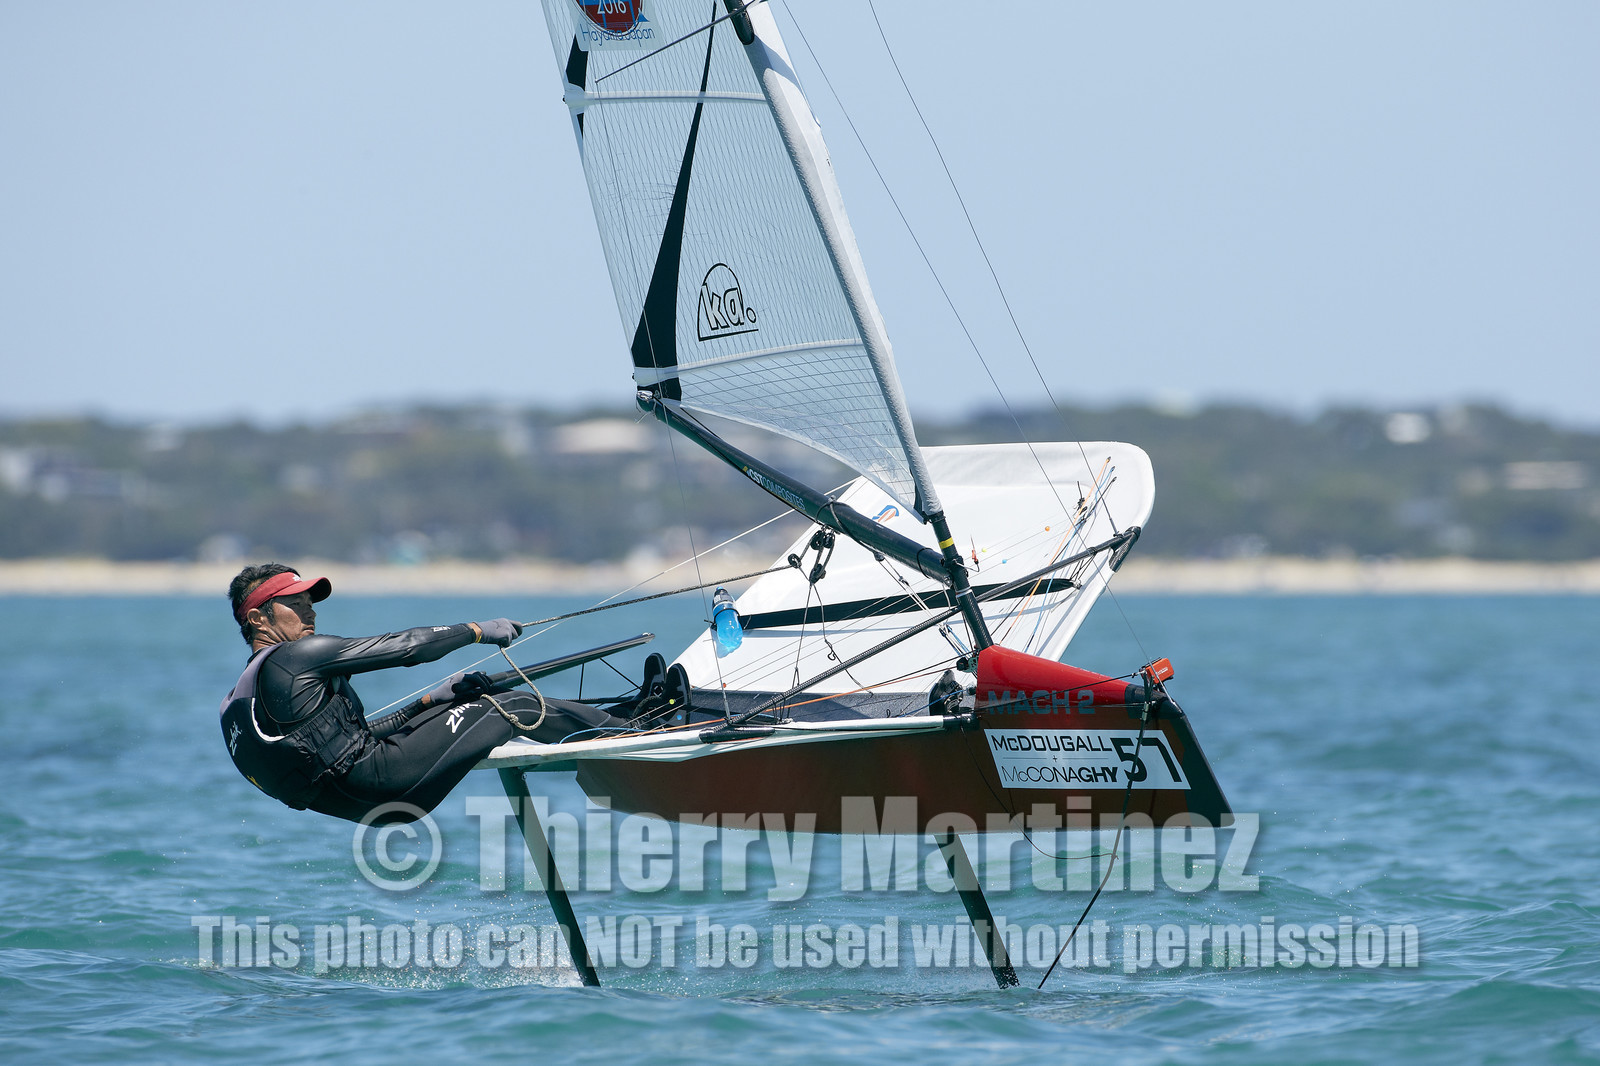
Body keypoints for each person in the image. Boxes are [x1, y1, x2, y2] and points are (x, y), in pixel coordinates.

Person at [220, 563, 631, 824]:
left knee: (472, 704)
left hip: (365, 805)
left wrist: (427, 703)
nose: (310, 610)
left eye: (309, 601)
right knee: (510, 706)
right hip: (379, 781)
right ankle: (634, 731)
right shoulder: (293, 658)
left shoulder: (239, 701)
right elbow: (408, 647)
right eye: (295, 603)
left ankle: (614, 723)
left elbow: (351, 743)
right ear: (258, 618)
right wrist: (475, 630)